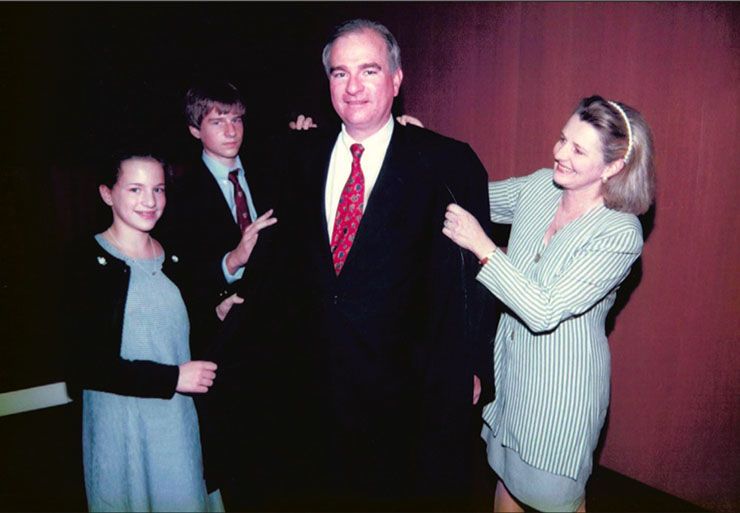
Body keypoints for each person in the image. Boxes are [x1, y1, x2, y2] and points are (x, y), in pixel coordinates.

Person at [285, 18, 497, 511]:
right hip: (315, 385)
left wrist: (472, 364)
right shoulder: (297, 157)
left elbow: (471, 277)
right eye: (340, 73)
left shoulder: (449, 161)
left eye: (369, 70)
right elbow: (287, 267)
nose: (353, 87)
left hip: (410, 395)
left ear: (397, 80)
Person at [442, 95, 656, 512]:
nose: (559, 153)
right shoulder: (541, 186)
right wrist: (420, 147)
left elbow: (543, 310)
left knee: (555, 500)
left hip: (560, 392)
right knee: (507, 486)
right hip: (511, 374)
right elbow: (468, 195)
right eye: (562, 138)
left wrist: (483, 247)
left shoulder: (619, 233)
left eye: (578, 150)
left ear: (613, 167)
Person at [63, 148, 223, 512]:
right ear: (107, 193)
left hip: (178, 424)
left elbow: (182, 334)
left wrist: (216, 310)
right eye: (135, 189)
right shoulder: (85, 262)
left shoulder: (175, 256)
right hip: (121, 428)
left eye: (158, 189)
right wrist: (172, 378)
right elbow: (83, 365)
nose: (150, 201)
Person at [153, 81, 282, 503]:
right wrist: (232, 261)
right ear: (195, 130)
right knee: (241, 476)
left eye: (237, 119)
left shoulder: (271, 172)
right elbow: (177, 276)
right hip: (226, 356)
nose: (231, 130)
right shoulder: (178, 197)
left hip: (281, 347)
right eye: (217, 121)